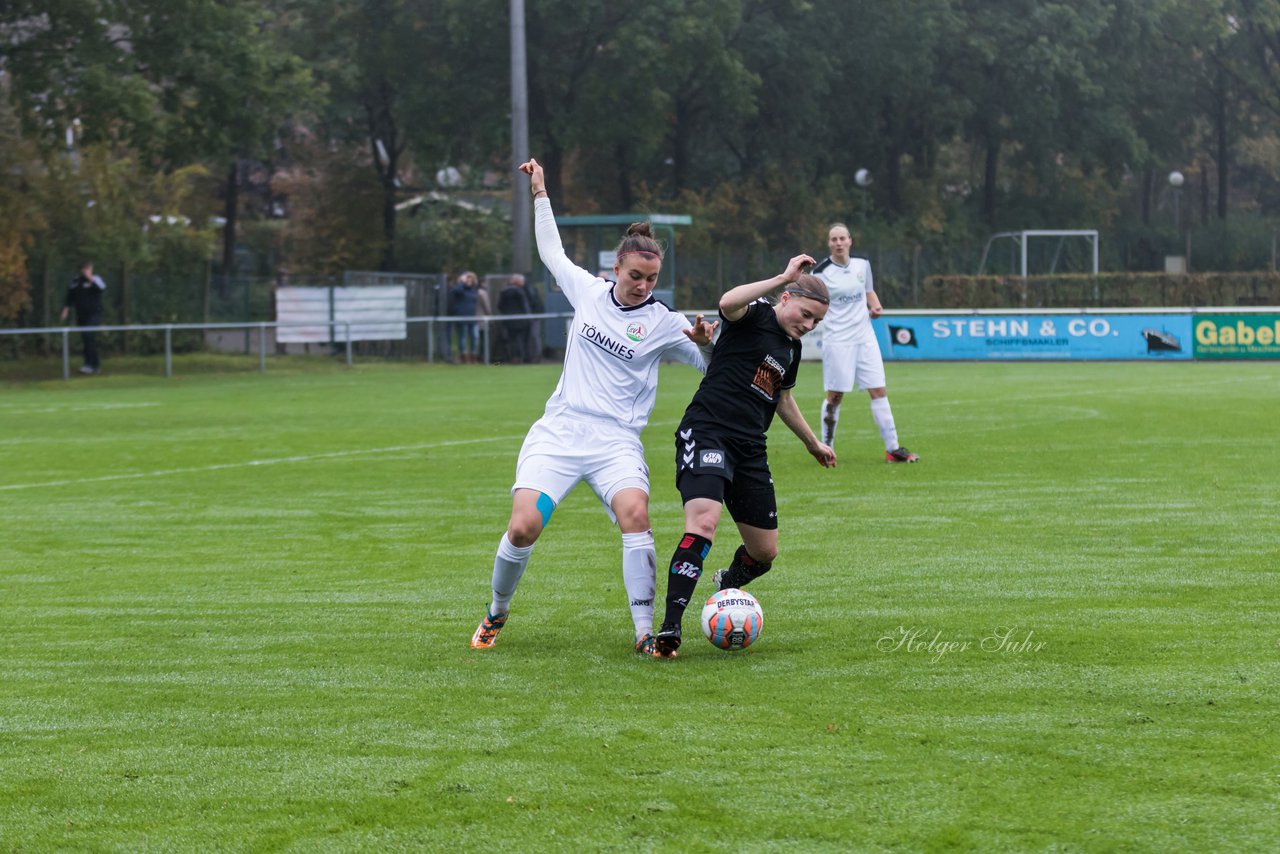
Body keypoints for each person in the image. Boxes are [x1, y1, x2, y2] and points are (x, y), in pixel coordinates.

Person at [471, 157, 717, 656]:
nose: (643, 285)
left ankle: (645, 632)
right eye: (635, 275)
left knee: (636, 515)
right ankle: (497, 611)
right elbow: (551, 251)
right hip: (561, 432)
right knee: (523, 525)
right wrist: (540, 192)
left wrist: (706, 342)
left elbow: (710, 367)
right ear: (616, 269)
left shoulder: (665, 322)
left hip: (614, 443)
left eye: (651, 278)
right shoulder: (587, 292)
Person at [654, 259, 837, 657]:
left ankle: (725, 585)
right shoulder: (753, 316)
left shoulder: (792, 348)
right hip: (708, 430)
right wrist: (782, 276)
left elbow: (783, 398)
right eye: (805, 315)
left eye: (816, 322)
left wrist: (812, 443)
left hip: (751, 448)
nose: (807, 325)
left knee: (764, 553)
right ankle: (669, 629)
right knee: (704, 522)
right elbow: (727, 302)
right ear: (786, 298)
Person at [811, 223, 919, 462]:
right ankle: (826, 448)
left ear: (850, 240)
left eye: (842, 238)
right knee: (835, 396)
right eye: (834, 239)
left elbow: (868, 291)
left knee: (879, 390)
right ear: (829, 244)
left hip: (865, 336)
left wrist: (875, 305)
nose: (838, 243)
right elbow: (810, 303)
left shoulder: (862, 265)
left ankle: (893, 449)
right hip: (838, 340)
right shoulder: (819, 272)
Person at [60, 262, 106, 375]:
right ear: (81, 270)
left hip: (94, 314)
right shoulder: (76, 282)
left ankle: (90, 365)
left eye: (88, 269)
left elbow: (101, 289)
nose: (86, 271)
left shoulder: (96, 279)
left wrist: (91, 279)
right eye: (84, 269)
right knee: (87, 340)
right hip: (81, 315)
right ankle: (93, 365)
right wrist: (66, 309)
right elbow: (70, 296)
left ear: (91, 269)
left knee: (88, 335)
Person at [496, 273, 533, 363]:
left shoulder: (504, 292)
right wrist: (528, 317)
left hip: (509, 321)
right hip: (522, 321)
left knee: (512, 340)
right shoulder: (520, 292)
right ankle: (522, 358)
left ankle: (514, 358)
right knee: (522, 340)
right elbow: (525, 306)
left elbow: (500, 306)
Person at [447, 271, 480, 363]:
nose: (469, 280)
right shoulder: (459, 289)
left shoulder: (474, 290)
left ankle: (473, 356)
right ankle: (464, 357)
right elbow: (456, 291)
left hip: (472, 318)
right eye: (467, 279)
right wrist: (461, 282)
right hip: (461, 317)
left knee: (475, 336)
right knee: (463, 337)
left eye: (471, 279)